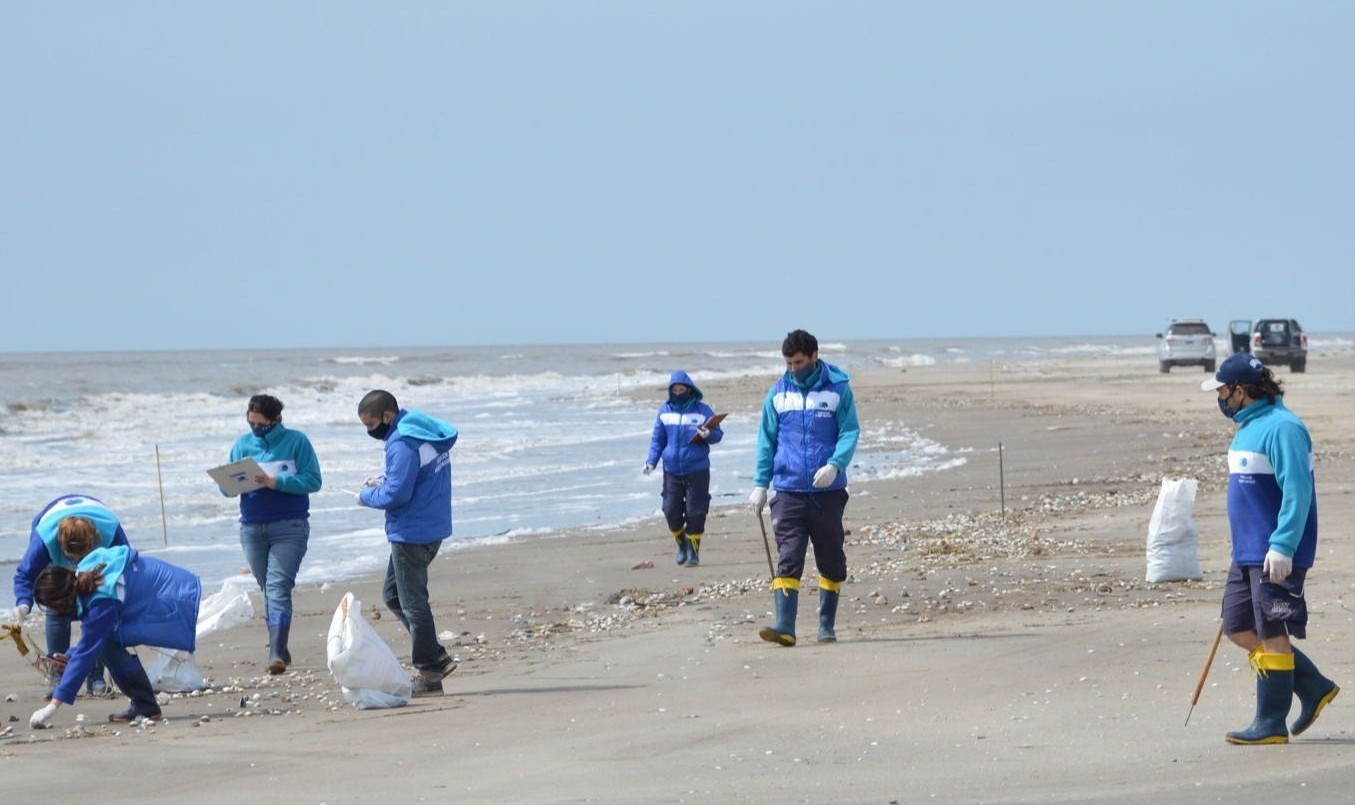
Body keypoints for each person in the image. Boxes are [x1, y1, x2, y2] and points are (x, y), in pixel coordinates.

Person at [1202, 352, 1338, 744]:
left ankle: (1270, 723)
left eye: (1223, 391)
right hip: (1246, 551)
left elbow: (1297, 491)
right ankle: (1313, 686)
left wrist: (1282, 546)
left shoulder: (1284, 428)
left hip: (1275, 552)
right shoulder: (1248, 426)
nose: (1221, 399)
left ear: (1240, 391)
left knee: (1272, 628)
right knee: (1238, 625)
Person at [749, 329, 860, 647]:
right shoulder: (778, 394)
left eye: (798, 362)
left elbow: (850, 431)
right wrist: (760, 484)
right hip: (788, 490)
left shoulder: (838, 390)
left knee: (831, 559)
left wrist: (835, 464)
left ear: (814, 357)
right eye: (788, 363)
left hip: (828, 492)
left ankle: (826, 626)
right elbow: (766, 441)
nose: (793, 369)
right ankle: (785, 626)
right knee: (789, 556)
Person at [28, 527, 201, 729]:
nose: (54, 612)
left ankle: (145, 704)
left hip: (173, 599)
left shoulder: (101, 601)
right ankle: (145, 704)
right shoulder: (84, 572)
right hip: (174, 587)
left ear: (61, 599)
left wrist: (52, 707)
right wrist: (72, 656)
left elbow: (90, 649)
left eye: (52, 606)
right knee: (105, 643)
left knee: (107, 646)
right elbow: (90, 642)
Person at [356, 389, 459, 697]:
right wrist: (385, 479)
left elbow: (397, 495)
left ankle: (430, 670)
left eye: (372, 423)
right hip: (432, 524)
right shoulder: (422, 432)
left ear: (387, 416)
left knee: (413, 602)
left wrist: (365, 497)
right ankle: (436, 655)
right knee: (393, 595)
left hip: (412, 532)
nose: (370, 430)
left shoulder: (401, 442)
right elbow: (412, 477)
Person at [225, 394, 323, 675]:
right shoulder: (242, 444)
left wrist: (275, 482)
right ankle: (279, 644)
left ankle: (276, 653)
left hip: (290, 526)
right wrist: (232, 483)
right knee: (267, 587)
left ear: (276, 420)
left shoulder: (297, 441)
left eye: (262, 425)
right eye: (251, 423)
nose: (256, 429)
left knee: (278, 587)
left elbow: (313, 480)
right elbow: (227, 488)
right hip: (252, 527)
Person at [11, 494, 126, 697]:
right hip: (51, 527)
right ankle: (58, 676)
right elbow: (25, 574)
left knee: (97, 610)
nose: (77, 563)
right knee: (56, 609)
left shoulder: (111, 533)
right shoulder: (43, 539)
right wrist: (23, 602)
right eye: (72, 558)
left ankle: (96, 676)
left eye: (82, 558)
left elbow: (127, 566)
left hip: (99, 542)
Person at [644, 371, 724, 567]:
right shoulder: (664, 411)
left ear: (690, 390)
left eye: (682, 389)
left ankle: (694, 552)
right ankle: (681, 545)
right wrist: (651, 462)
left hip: (697, 469)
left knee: (696, 512)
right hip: (671, 470)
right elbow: (658, 440)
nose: (679, 392)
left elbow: (718, 434)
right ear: (671, 391)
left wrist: (707, 434)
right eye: (675, 390)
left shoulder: (702, 410)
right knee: (670, 510)